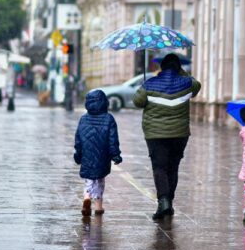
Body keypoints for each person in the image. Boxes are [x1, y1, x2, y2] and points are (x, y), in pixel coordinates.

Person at [133, 53, 201, 220]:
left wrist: (144, 86)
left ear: (161, 67)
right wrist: (182, 72)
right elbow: (197, 85)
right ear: (179, 68)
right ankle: (168, 202)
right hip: (179, 134)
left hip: (155, 134)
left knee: (159, 167)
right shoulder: (186, 83)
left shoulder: (150, 83)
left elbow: (137, 101)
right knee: (173, 167)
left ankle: (163, 202)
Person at [73, 89, 122, 216]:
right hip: (102, 156)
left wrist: (78, 154)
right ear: (105, 102)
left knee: (89, 179)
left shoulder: (83, 119)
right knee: (100, 180)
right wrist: (115, 154)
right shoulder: (109, 119)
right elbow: (113, 139)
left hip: (87, 156)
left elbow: (78, 139)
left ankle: (87, 198)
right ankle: (99, 207)